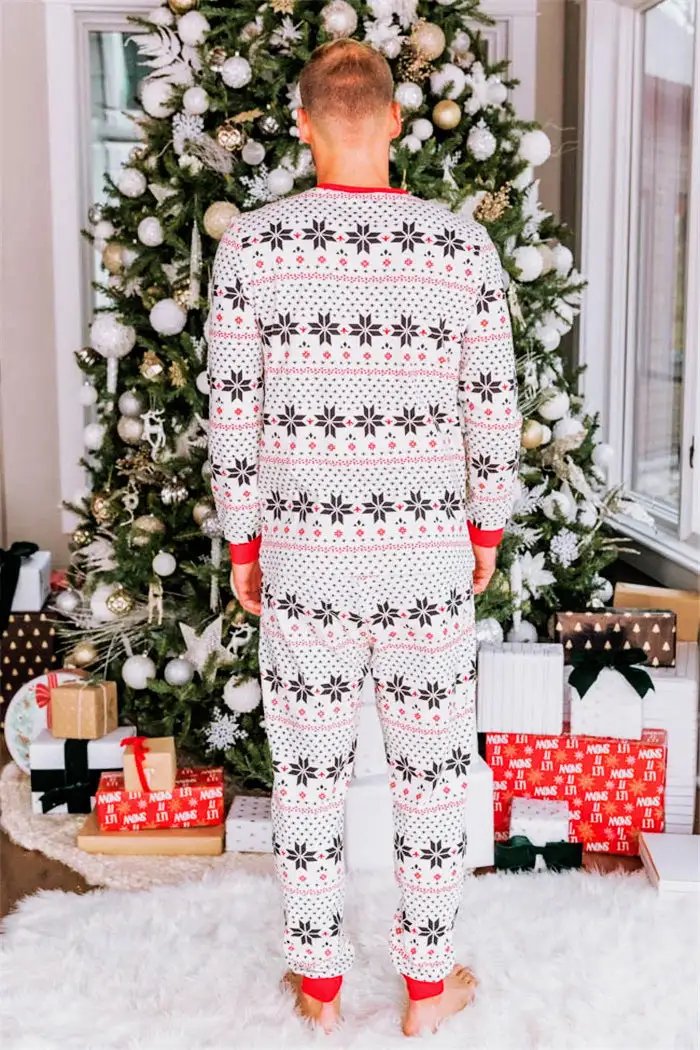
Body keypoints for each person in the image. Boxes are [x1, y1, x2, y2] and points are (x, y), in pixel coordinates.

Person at [207, 39, 521, 1037]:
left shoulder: (252, 248)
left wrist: (245, 545)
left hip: (307, 564)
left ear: (303, 125)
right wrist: (484, 527)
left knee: (309, 779)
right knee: (431, 779)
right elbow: (493, 407)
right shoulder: (459, 248)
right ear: (393, 118)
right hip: (425, 562)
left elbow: (231, 414)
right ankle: (426, 993)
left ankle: (321, 989)